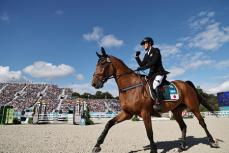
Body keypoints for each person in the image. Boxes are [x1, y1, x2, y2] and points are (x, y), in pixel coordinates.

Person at [135, 37, 169, 111]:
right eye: (143, 44)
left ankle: (159, 103)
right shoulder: (146, 55)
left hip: (159, 72)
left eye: (145, 43)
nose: (144, 45)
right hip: (152, 74)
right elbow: (142, 65)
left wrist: (142, 68)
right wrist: (137, 57)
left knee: (155, 84)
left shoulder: (156, 50)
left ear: (149, 43)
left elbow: (153, 62)